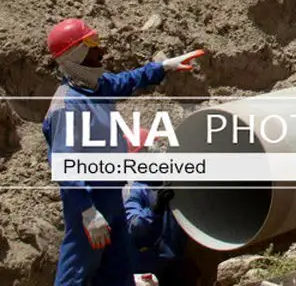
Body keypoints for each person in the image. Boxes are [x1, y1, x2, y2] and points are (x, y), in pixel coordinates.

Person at [42, 18, 203, 286]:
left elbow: (127, 80)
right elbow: (64, 162)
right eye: (92, 45)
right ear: (75, 54)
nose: (101, 51)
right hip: (91, 201)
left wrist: (162, 67)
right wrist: (87, 211)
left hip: (113, 194)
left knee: (118, 273)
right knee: (78, 273)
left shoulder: (95, 87)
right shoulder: (68, 105)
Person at [124, 129, 190, 285]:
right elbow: (135, 228)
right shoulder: (134, 190)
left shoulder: (170, 181)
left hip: (174, 262)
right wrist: (154, 209)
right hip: (146, 266)